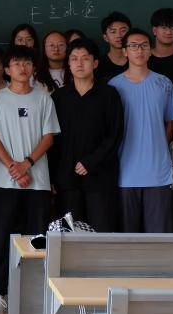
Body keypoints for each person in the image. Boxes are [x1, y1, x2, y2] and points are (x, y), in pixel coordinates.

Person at [0, 45, 59, 314]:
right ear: (7, 69)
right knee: (3, 238)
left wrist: (26, 164)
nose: (22, 68)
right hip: (5, 182)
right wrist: (13, 168)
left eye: (27, 62)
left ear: (34, 67)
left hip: (37, 182)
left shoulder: (44, 98)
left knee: (36, 240)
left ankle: (33, 297)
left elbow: (49, 137)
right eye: (16, 63)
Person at [50, 38, 123, 232]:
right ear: (68, 63)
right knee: (69, 236)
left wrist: (91, 161)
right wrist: (52, 176)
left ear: (95, 63)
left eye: (85, 58)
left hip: (100, 178)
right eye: (74, 58)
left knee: (101, 234)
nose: (79, 63)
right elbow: (52, 140)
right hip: (66, 179)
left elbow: (114, 135)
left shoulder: (109, 95)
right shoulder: (58, 98)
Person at [110, 28, 173, 233]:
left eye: (144, 46)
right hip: (125, 172)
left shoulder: (164, 83)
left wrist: (159, 147)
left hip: (158, 172)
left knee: (159, 237)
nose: (139, 50)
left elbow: (170, 122)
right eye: (133, 46)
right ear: (125, 51)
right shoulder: (113, 86)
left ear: (150, 50)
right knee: (128, 238)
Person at [95, 11, 131, 82]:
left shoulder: (138, 60)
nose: (119, 35)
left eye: (123, 30)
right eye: (113, 32)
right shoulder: (98, 64)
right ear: (105, 37)